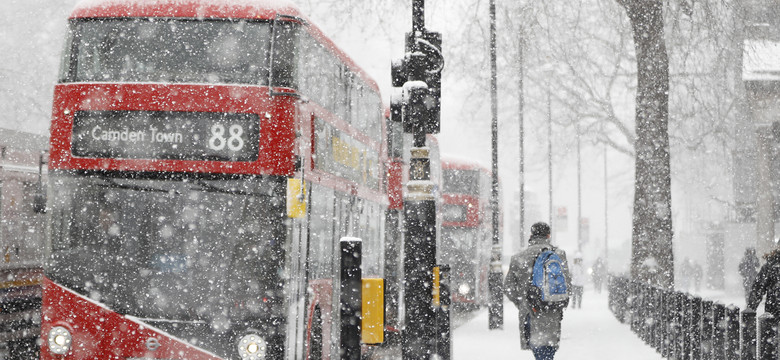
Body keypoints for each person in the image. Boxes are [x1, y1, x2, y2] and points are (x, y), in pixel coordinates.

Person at [504, 222, 570, 360]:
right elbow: (567, 285)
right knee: (547, 352)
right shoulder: (559, 255)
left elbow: (508, 287)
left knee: (539, 351)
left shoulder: (518, 258)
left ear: (531, 235)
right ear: (548, 236)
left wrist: (522, 302)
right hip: (552, 312)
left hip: (530, 314)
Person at [747, 248, 780, 318]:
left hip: (773, 311)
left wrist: (750, 310)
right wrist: (750, 311)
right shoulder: (771, 266)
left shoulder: (770, 266)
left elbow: (758, 289)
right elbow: (758, 289)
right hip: (773, 313)